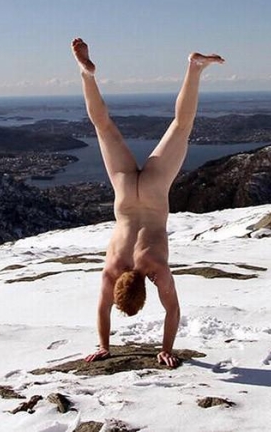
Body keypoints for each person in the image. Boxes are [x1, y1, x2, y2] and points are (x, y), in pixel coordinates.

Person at [72, 37, 224, 368]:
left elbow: (172, 310)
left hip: (154, 194)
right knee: (103, 125)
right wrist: (104, 344)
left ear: (145, 291)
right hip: (126, 194)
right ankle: (86, 76)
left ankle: (194, 68)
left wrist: (165, 348)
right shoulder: (113, 269)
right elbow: (102, 307)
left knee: (182, 127)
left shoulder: (156, 268)